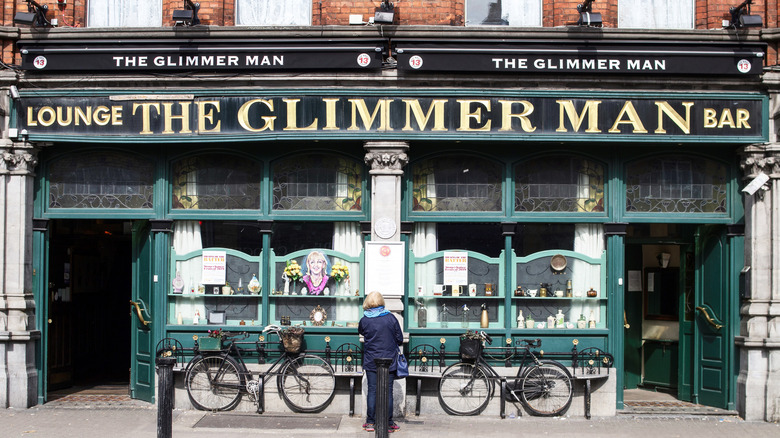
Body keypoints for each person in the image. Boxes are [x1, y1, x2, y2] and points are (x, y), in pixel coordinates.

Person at [358, 291, 403, 433]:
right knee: (388, 391)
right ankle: (388, 423)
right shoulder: (391, 318)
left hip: (371, 360)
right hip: (389, 360)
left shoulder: (365, 320)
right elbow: (400, 339)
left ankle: (370, 422)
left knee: (372, 390)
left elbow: (361, 332)